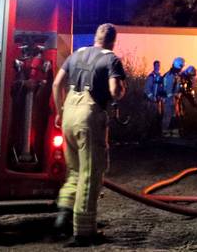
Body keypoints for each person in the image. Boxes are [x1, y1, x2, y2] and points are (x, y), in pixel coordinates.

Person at [51, 23, 127, 246]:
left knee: (74, 172)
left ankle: (62, 219)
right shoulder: (111, 59)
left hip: (68, 115)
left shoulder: (76, 54)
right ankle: (84, 232)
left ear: (95, 37)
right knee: (90, 174)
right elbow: (114, 91)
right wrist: (121, 92)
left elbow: (57, 84)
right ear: (113, 40)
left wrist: (59, 111)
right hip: (89, 117)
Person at [160, 57, 185, 137]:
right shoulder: (170, 76)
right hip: (168, 100)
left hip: (173, 100)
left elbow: (177, 88)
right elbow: (169, 90)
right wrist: (174, 96)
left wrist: (178, 95)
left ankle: (174, 132)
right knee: (167, 115)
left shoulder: (176, 75)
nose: (182, 68)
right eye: (181, 66)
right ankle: (165, 132)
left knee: (174, 116)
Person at [144, 60, 165, 130]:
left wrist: (162, 97)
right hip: (152, 102)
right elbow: (147, 89)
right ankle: (150, 133)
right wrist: (152, 98)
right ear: (154, 66)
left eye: (159, 65)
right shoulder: (151, 77)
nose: (158, 67)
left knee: (159, 117)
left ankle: (157, 133)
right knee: (151, 118)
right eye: (156, 65)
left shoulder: (161, 77)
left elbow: (162, 89)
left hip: (159, 101)